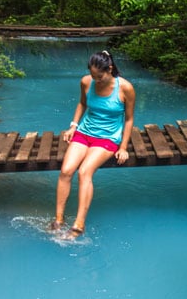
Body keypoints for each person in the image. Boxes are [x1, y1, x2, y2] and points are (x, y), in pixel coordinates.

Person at [50, 50, 135, 239]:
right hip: (84, 132)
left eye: (100, 76)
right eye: (93, 75)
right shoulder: (86, 82)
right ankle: (58, 219)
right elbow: (82, 104)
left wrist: (123, 147)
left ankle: (79, 225)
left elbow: (128, 119)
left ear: (110, 69)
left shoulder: (125, 88)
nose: (96, 80)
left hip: (107, 138)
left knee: (84, 172)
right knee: (66, 171)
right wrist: (73, 126)